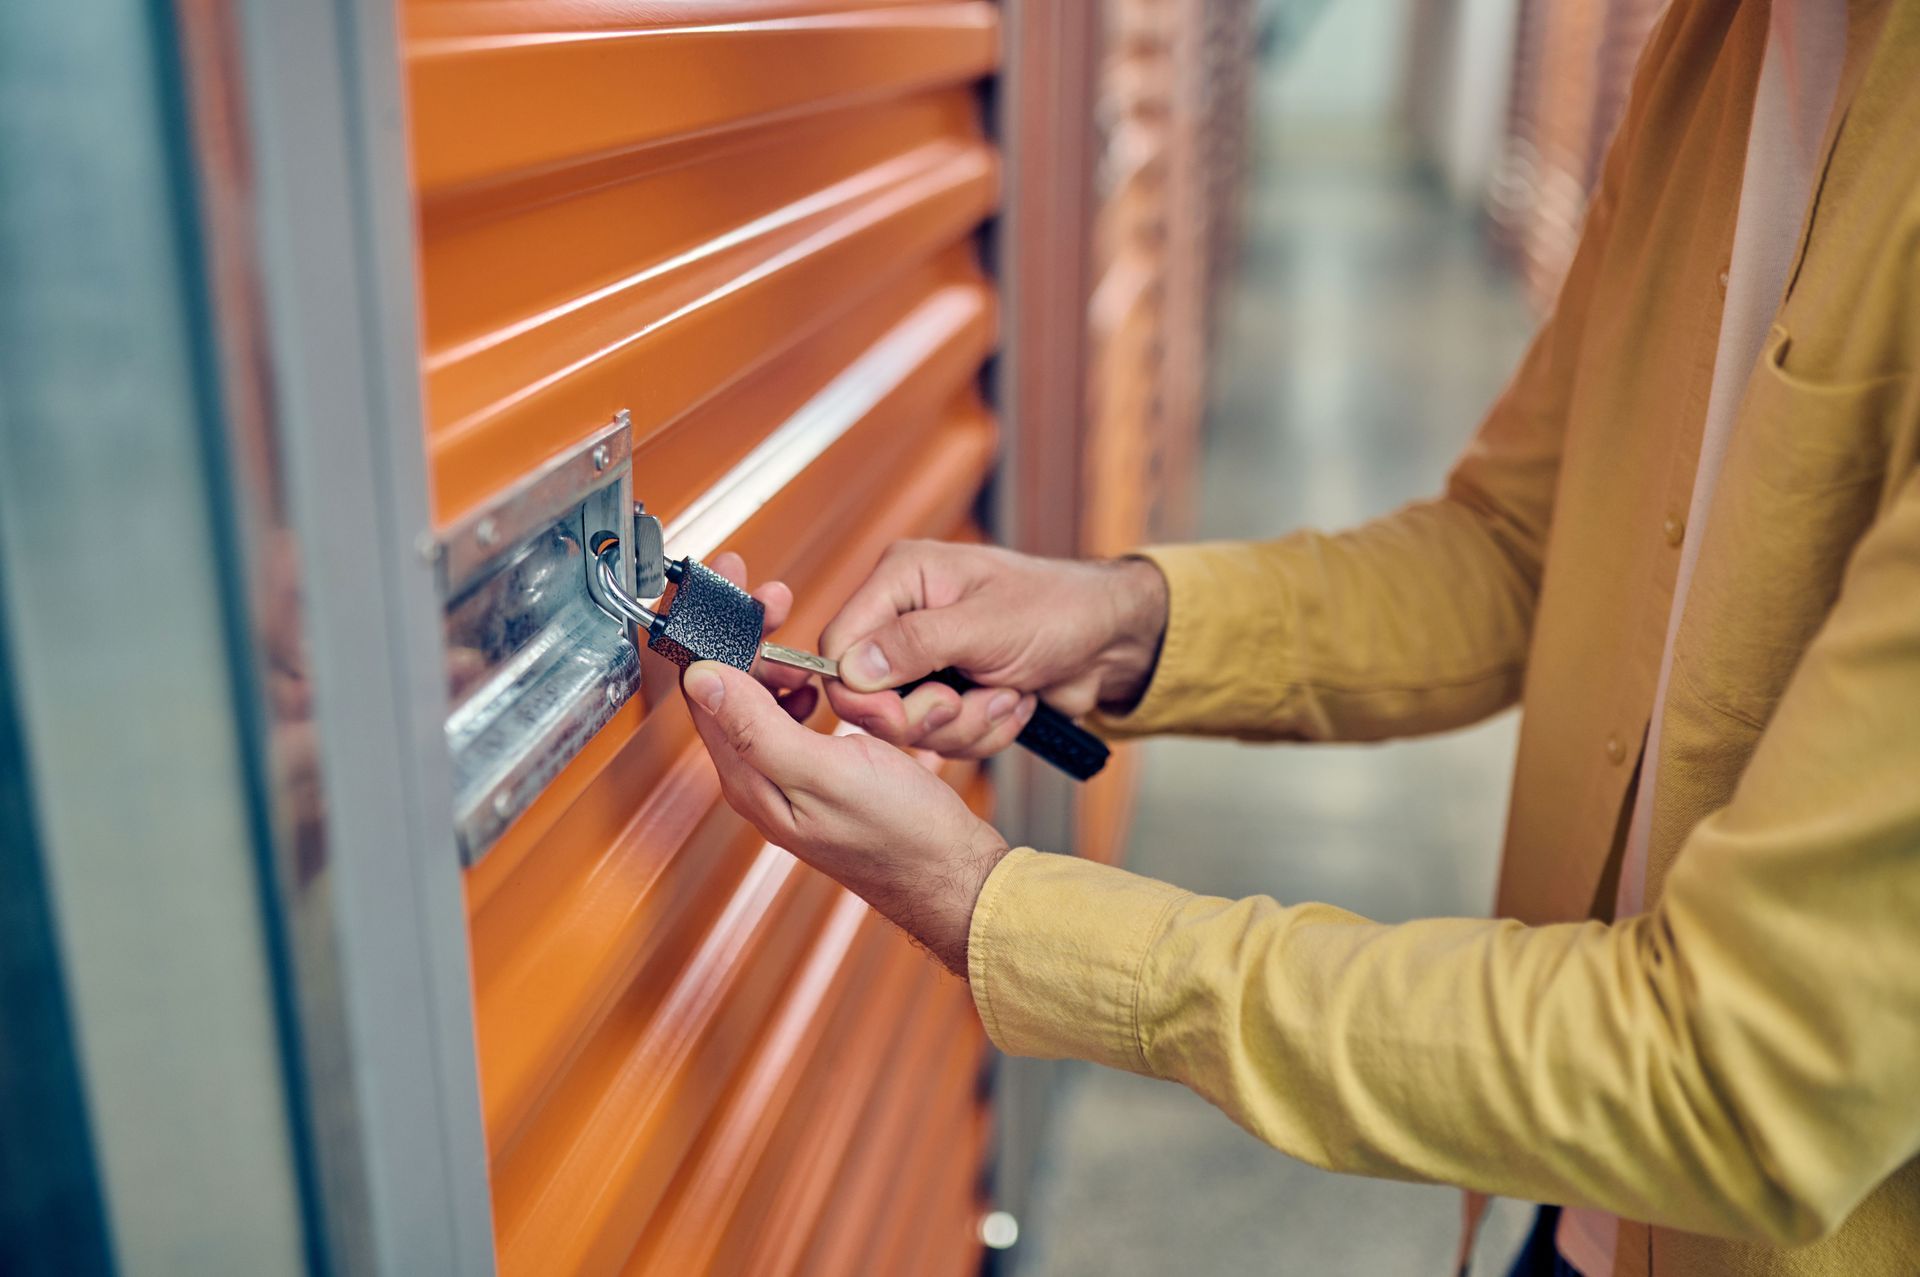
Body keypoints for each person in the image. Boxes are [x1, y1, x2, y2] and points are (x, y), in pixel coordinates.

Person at [679, 0, 1920, 1270]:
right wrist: (1119, 621)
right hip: (1586, 1207)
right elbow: (1517, 551)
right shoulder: (1713, 55)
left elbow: (1746, 1075)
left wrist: (996, 908)